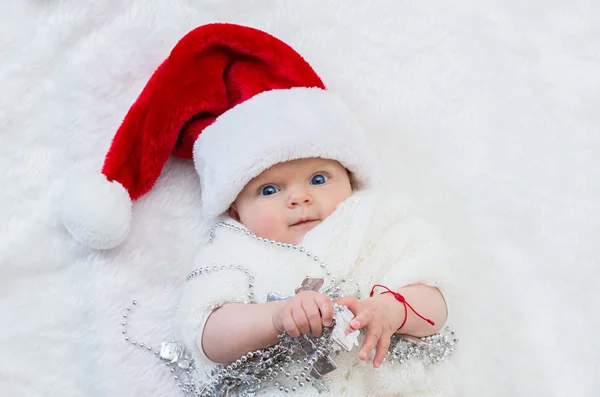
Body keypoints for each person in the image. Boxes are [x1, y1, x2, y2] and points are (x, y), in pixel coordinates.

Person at [59, 23, 457, 396]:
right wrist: (276, 318)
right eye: (269, 189)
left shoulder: (381, 223)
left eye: (319, 179)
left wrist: (389, 310)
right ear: (234, 210)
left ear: (351, 180)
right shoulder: (233, 251)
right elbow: (207, 333)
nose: (299, 198)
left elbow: (435, 299)